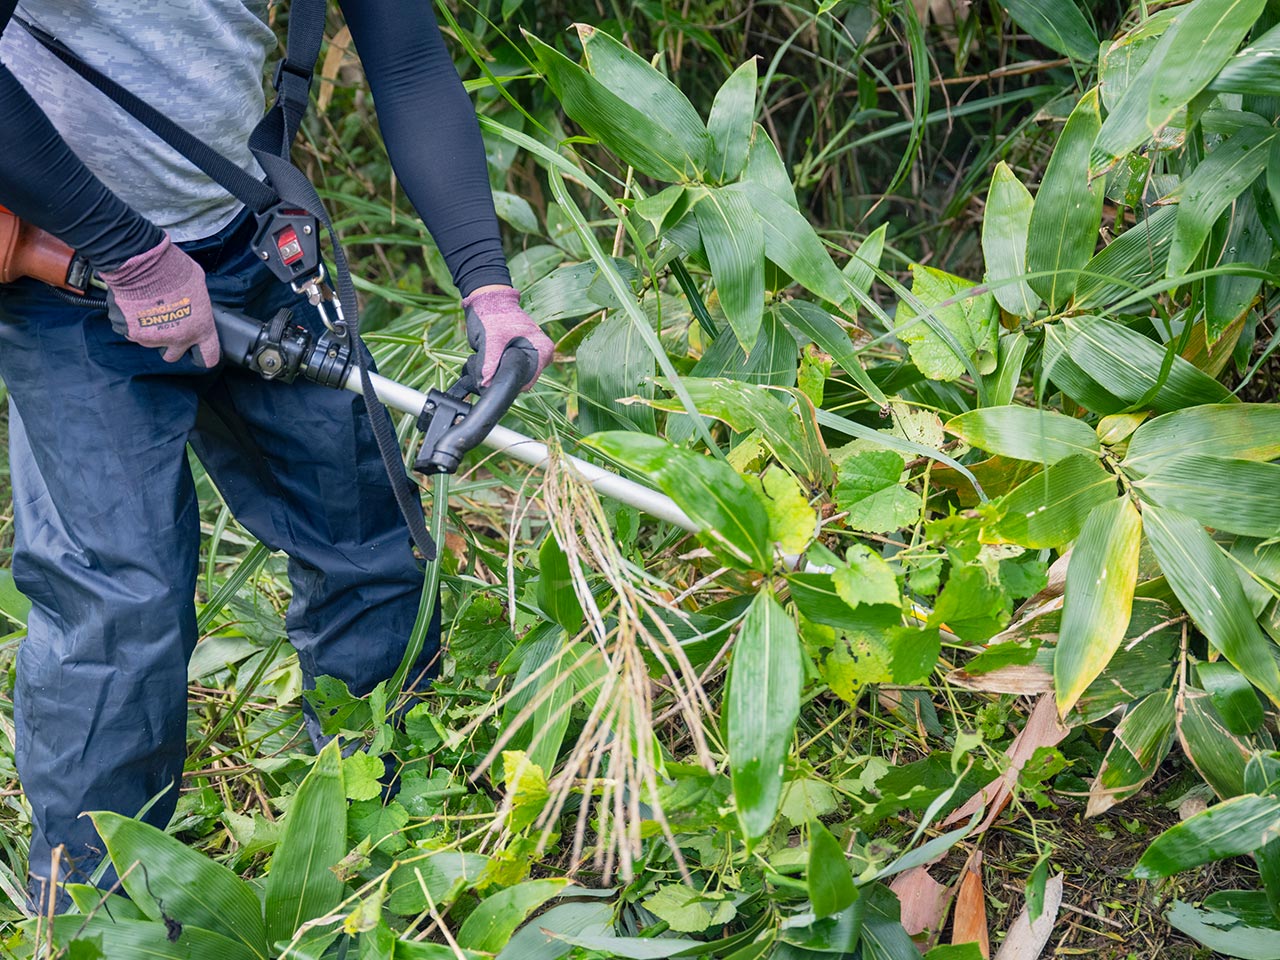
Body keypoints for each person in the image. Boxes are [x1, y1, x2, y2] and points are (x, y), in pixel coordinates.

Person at [0, 0, 554, 908]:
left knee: (367, 536)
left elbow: (408, 63)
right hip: (68, 267)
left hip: (248, 239)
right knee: (119, 604)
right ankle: (91, 912)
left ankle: (376, 840)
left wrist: (489, 290)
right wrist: (133, 256)